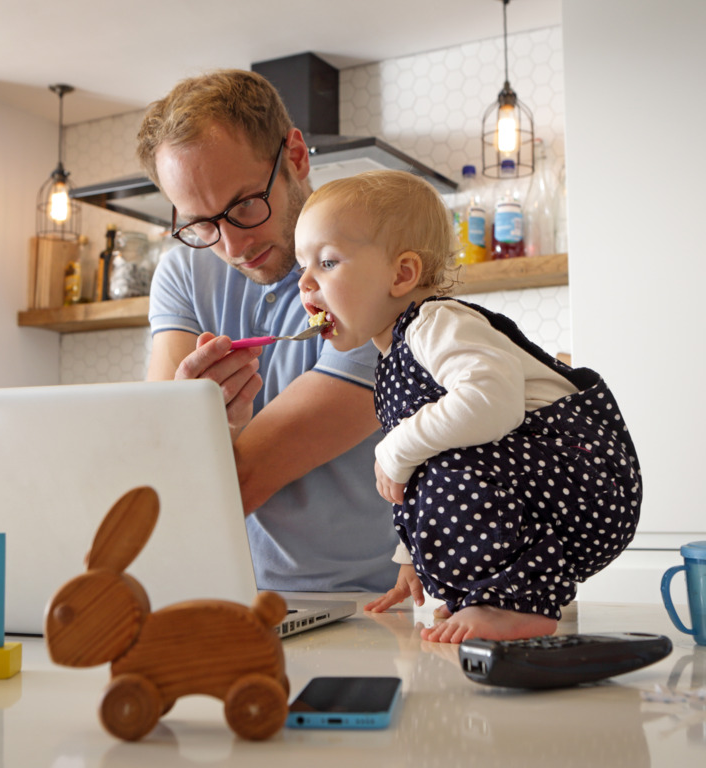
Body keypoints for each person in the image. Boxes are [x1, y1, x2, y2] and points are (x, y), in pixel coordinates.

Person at [294, 169, 641, 642]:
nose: (306, 284)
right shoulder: (392, 357)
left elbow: (491, 402)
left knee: (431, 451)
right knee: (430, 453)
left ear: (402, 274)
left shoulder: (435, 323)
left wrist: (393, 448)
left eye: (328, 263)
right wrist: (412, 556)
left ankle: (514, 604)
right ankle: (493, 596)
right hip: (549, 492)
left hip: (586, 478)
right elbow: (426, 467)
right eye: (302, 268)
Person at [135, 70, 399, 593]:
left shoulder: (380, 275)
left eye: (244, 206)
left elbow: (236, 482)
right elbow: (156, 468)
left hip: (357, 612)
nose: (231, 246)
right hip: (211, 596)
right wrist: (196, 431)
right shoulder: (184, 272)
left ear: (296, 157)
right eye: (201, 224)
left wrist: (201, 434)